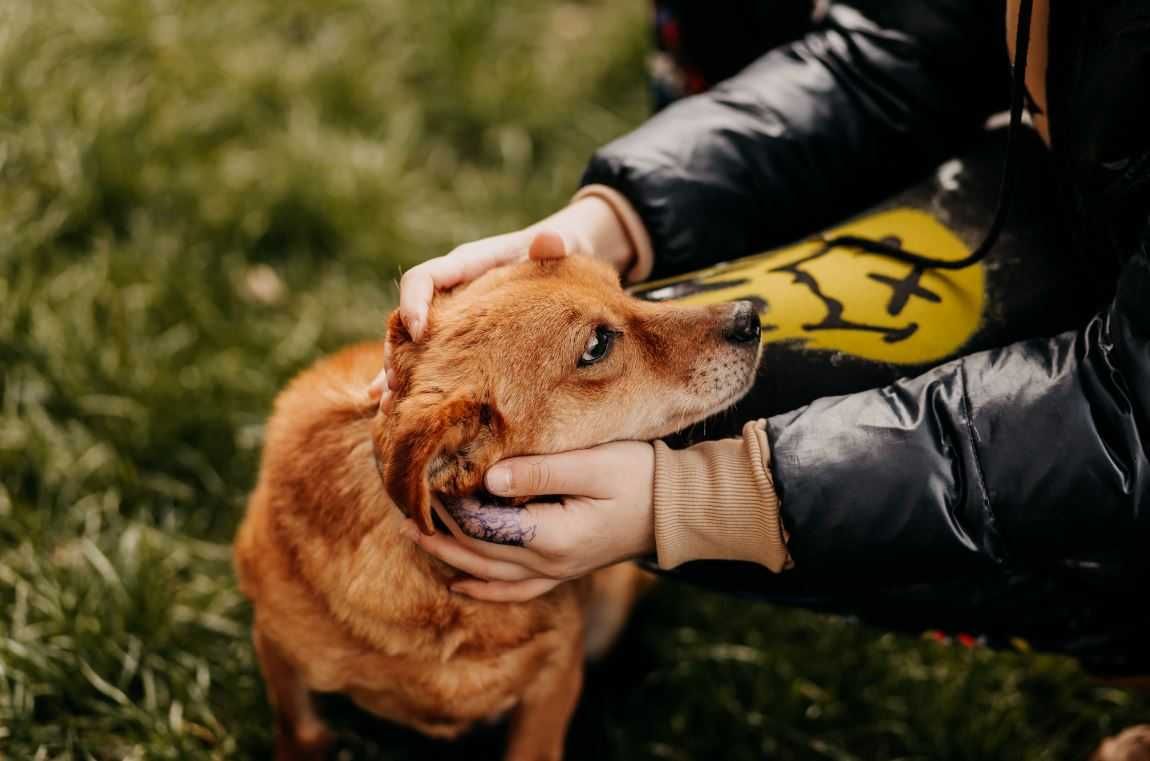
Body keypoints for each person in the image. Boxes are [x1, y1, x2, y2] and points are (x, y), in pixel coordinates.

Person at [371, 0, 1150, 669]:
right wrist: (603, 228)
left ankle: (1122, 628)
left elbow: (1134, 421)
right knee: (629, 438)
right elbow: (886, 60)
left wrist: (700, 499)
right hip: (1058, 191)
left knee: (689, 456)